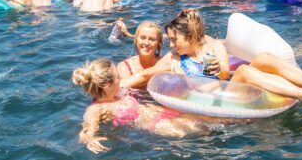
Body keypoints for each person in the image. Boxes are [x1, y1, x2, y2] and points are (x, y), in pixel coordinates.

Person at [155, 9, 302, 104]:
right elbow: (147, 75)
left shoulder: (213, 46)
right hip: (213, 102)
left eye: (174, 39)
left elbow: (224, 75)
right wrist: (180, 77)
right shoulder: (174, 59)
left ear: (190, 36)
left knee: (263, 58)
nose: (171, 45)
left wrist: (219, 69)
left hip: (228, 91)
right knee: (243, 69)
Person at [73, 58, 206, 153]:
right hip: (155, 126)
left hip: (158, 112)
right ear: (108, 85)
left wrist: (172, 67)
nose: (120, 79)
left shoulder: (119, 91)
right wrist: (90, 139)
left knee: (205, 117)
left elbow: (142, 76)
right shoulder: (96, 109)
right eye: (117, 77)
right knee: (203, 128)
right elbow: (86, 128)